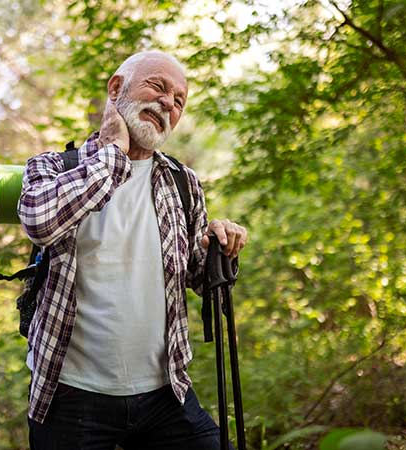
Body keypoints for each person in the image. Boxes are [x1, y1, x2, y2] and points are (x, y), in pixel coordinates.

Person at [18, 50, 248, 450]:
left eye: (179, 101)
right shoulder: (53, 166)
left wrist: (219, 249)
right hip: (72, 397)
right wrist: (112, 158)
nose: (167, 104)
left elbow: (197, 278)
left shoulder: (183, 182)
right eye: (158, 87)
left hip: (165, 391)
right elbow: (39, 221)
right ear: (116, 89)